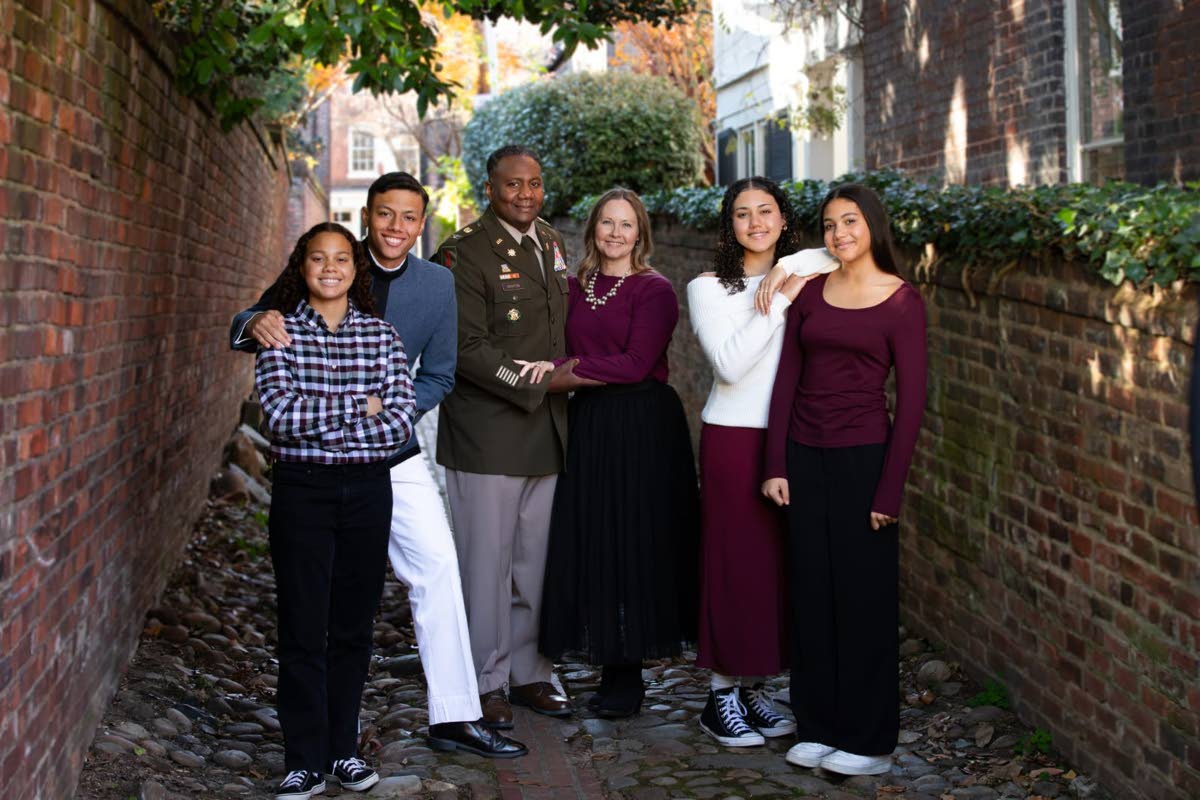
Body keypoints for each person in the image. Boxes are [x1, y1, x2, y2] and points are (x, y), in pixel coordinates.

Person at [231, 173, 526, 760]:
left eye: (409, 217)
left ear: (422, 224)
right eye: (386, 214)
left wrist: (387, 416)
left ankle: (455, 716)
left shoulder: (437, 284)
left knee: (437, 566)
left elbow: (439, 374)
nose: (396, 227)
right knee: (323, 600)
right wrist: (251, 322)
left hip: (391, 451)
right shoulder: (332, 258)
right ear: (368, 216)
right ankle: (327, 737)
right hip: (316, 460)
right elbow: (258, 317)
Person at [762, 183, 927, 776]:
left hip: (864, 460)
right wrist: (775, 463)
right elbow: (787, 377)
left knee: (864, 600)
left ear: (872, 225)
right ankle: (818, 725)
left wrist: (890, 489)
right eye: (830, 225)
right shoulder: (811, 291)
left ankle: (868, 740)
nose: (839, 234)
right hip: (804, 456)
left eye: (850, 221)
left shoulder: (902, 301)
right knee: (812, 593)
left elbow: (912, 402)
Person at [520, 188, 699, 718]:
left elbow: (637, 363)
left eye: (626, 225)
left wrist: (566, 372)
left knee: (635, 542)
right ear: (593, 229)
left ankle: (630, 679)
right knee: (596, 538)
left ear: (640, 233)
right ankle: (609, 664)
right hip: (590, 422)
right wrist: (555, 368)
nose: (616, 234)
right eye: (607, 223)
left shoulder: (655, 289)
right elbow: (554, 346)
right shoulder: (575, 287)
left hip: (643, 425)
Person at [433, 146, 595, 728]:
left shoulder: (550, 241)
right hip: (487, 433)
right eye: (512, 185)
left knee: (534, 566)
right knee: (487, 568)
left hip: (546, 431)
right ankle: (485, 681)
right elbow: (467, 348)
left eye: (534, 183)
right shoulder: (463, 252)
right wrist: (543, 381)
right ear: (490, 188)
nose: (525, 194)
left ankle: (531, 673)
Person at [256, 222, 415, 799]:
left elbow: (399, 420)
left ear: (355, 268)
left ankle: (343, 750)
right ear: (302, 267)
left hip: (368, 491)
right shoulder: (278, 332)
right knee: (302, 626)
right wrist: (358, 405)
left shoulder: (381, 335)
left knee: (352, 627)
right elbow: (279, 417)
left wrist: (325, 414)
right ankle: (303, 759)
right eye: (318, 258)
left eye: (341, 258)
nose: (330, 268)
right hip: (303, 490)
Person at [686, 177, 838, 746]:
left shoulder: (804, 270)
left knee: (778, 569)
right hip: (735, 437)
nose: (756, 223)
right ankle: (719, 696)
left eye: (766, 211)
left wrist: (788, 268)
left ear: (783, 218)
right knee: (735, 566)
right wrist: (780, 303)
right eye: (743, 214)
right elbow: (730, 365)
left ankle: (753, 688)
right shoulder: (707, 288)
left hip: (794, 436)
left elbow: (846, 248)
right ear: (729, 225)